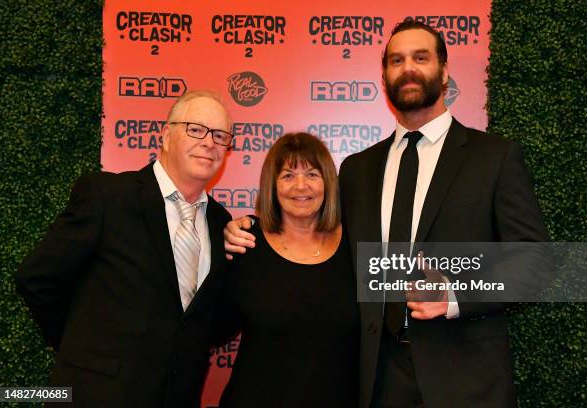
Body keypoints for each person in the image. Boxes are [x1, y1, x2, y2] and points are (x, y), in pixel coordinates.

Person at [225, 20, 550, 408]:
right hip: (376, 382)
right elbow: (316, 235)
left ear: (444, 72)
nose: (408, 68)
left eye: (420, 57)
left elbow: (537, 262)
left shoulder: (494, 157)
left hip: (466, 381)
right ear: (385, 77)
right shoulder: (359, 169)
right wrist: (250, 228)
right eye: (396, 60)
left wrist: (454, 294)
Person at [16, 90, 234, 407]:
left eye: (220, 135)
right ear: (166, 136)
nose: (209, 142)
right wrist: (83, 351)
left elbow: (203, 320)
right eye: (195, 129)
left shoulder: (219, 221)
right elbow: (37, 279)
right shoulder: (108, 196)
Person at [214, 133, 359, 407]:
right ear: (272, 185)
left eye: (312, 175)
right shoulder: (246, 243)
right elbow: (215, 327)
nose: (300, 186)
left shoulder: (356, 246)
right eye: (288, 176)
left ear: (328, 183)